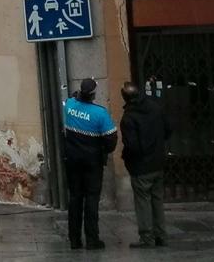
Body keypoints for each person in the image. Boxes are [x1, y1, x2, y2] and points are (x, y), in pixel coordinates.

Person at [62, 78, 117, 250]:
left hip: (72, 161)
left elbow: (71, 98)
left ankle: (74, 239)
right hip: (92, 163)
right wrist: (103, 151)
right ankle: (92, 239)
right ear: (93, 94)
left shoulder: (69, 106)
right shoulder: (100, 114)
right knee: (92, 200)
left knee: (75, 198)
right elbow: (111, 140)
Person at [120, 82, 172, 249]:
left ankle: (147, 237)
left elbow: (131, 145)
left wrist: (128, 158)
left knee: (143, 202)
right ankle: (161, 235)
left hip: (141, 165)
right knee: (157, 200)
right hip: (158, 161)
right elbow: (169, 128)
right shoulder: (155, 107)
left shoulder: (129, 117)